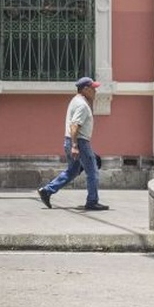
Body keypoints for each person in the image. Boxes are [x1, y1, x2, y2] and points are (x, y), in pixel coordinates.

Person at [37, 76, 109, 211]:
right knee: (92, 171)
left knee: (73, 171)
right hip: (79, 142)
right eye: (93, 89)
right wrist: (75, 146)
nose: (95, 91)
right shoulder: (82, 105)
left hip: (71, 141)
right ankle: (92, 201)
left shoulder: (75, 101)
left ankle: (47, 191)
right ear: (86, 89)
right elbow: (75, 126)